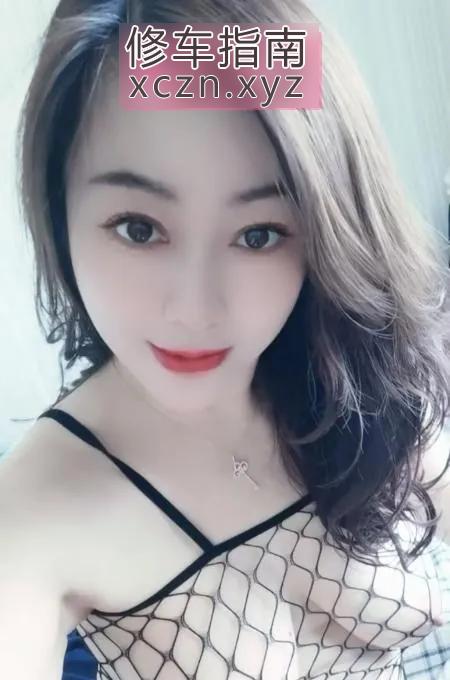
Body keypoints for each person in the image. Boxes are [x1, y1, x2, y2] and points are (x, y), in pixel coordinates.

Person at [1, 0, 450, 679]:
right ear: (59, 211)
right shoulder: (34, 514)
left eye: (258, 234)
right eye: (139, 228)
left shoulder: (359, 377)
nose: (195, 310)